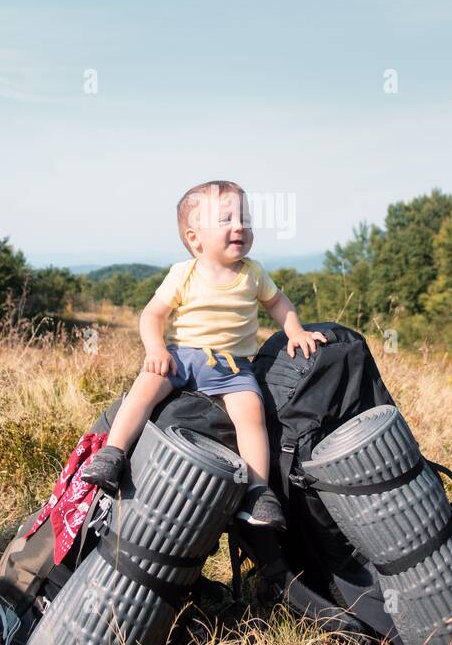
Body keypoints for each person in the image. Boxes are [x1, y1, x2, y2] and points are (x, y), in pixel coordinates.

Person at [81, 179, 325, 527]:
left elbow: (278, 303)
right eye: (226, 219)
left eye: (244, 218)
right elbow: (152, 315)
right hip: (181, 356)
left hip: (232, 366)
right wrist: (156, 348)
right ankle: (113, 453)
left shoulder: (253, 273)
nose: (239, 225)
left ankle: (258, 491)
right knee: (144, 389)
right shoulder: (185, 273)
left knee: (251, 414)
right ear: (195, 238)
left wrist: (295, 330)